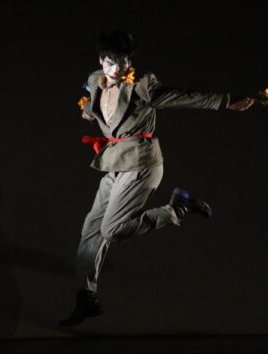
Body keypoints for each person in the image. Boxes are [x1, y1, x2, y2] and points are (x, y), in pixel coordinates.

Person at [59, 30, 254, 326]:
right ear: (101, 60)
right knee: (91, 229)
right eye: (111, 62)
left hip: (141, 163)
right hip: (114, 162)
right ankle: (87, 296)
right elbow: (95, 104)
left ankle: (177, 209)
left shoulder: (142, 85)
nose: (117, 69)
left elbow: (182, 97)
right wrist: (88, 111)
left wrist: (225, 101)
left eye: (123, 62)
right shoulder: (95, 79)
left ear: (129, 61)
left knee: (112, 230)